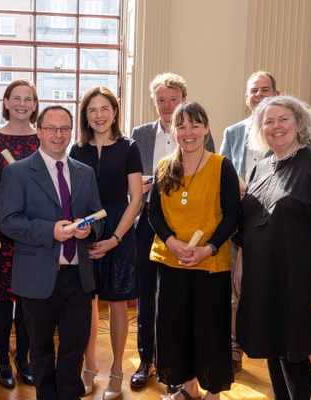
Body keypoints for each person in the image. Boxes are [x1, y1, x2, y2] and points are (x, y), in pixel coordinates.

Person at [234, 95, 311, 399]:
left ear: (299, 123)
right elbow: (248, 225)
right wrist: (241, 269)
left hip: (299, 278)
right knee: (271, 345)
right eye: (268, 121)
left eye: (283, 118)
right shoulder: (260, 168)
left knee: (294, 350)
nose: (276, 126)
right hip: (262, 277)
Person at [0, 105, 104, 400]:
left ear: (72, 132)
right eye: (51, 129)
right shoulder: (17, 172)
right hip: (37, 277)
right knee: (41, 350)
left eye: (64, 129)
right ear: (39, 132)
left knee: (74, 349)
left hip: (78, 277)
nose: (58, 135)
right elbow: (7, 221)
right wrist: (50, 231)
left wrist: (90, 229)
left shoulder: (85, 173)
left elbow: (99, 216)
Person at [149, 102, 238, 400]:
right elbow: (154, 214)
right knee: (175, 330)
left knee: (210, 331)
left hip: (210, 265)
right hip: (171, 261)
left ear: (207, 128)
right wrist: (171, 242)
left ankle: (212, 391)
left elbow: (232, 215)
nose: (189, 132)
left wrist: (209, 249)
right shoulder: (165, 167)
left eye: (195, 125)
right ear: (173, 131)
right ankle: (188, 387)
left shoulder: (221, 165)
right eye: (182, 126)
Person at [69, 86, 142, 399]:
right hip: (85, 230)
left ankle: (116, 371)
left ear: (115, 111)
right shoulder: (77, 149)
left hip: (119, 230)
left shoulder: (129, 147)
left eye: (104, 108)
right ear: (85, 116)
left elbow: (136, 198)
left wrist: (114, 238)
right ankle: (88, 368)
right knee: (86, 302)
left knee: (117, 303)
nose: (98, 115)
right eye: (92, 110)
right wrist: (83, 230)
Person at [218, 70, 280, 373]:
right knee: (235, 290)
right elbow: (222, 176)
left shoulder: (286, 131)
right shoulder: (233, 133)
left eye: (265, 89)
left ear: (276, 95)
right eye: (253, 91)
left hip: (275, 228)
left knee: (270, 290)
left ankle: (270, 347)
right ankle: (233, 350)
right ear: (246, 98)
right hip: (239, 225)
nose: (258, 95)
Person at [131, 72, 189, 389]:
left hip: (180, 227)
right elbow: (127, 181)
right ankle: (145, 361)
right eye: (161, 100)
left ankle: (171, 367)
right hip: (145, 223)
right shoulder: (139, 134)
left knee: (173, 298)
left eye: (173, 99)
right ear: (154, 102)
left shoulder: (195, 132)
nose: (167, 106)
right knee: (145, 297)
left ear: (183, 101)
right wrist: (135, 189)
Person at [0, 79, 39, 388]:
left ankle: (24, 359)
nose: (21, 103)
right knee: (3, 299)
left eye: (27, 99)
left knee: (29, 300)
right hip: (3, 231)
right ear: (5, 102)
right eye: (15, 98)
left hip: (34, 232)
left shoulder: (43, 139)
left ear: (34, 105)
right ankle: (3, 362)